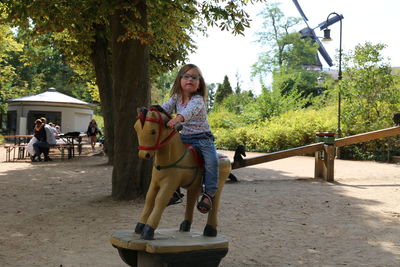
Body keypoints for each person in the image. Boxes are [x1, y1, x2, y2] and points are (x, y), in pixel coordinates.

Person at [161, 63, 219, 214]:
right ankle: (173, 190)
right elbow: (164, 109)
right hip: (183, 138)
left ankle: (209, 193)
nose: (190, 79)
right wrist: (152, 112)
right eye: (186, 76)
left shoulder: (198, 99)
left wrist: (177, 118)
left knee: (212, 162)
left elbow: (189, 112)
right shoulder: (176, 98)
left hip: (202, 138)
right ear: (179, 80)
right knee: (166, 156)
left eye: (194, 77)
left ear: (199, 83)